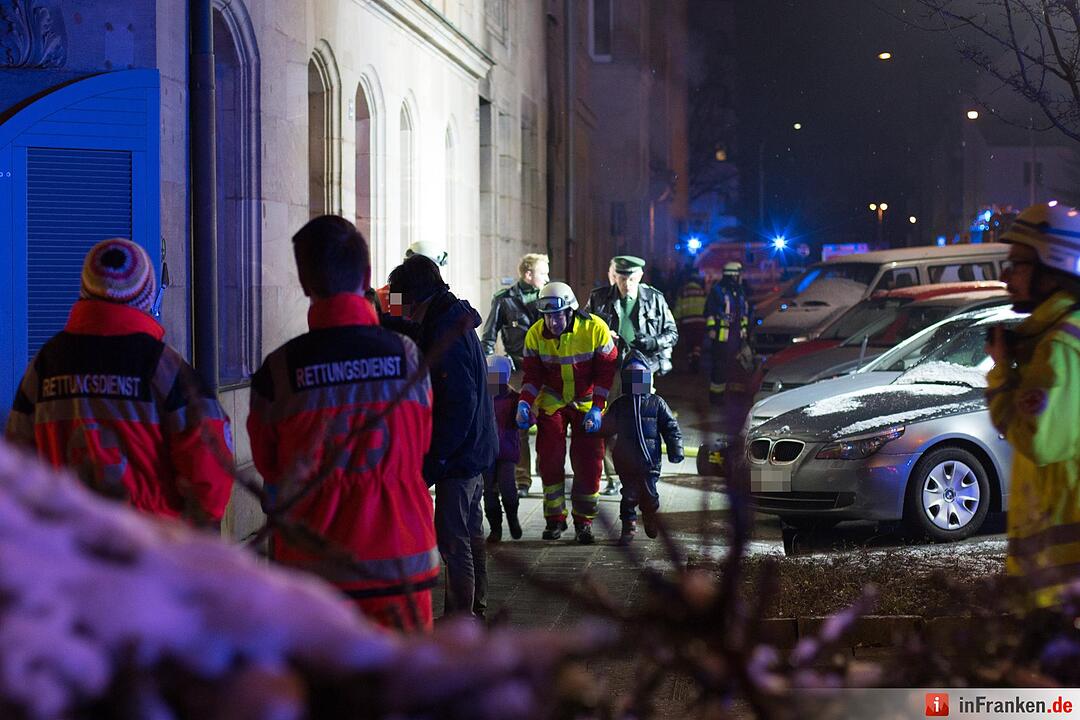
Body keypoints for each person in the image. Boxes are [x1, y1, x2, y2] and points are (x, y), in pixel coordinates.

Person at [247, 216, 439, 631]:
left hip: (314, 572)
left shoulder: (278, 371)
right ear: (367, 275)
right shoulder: (407, 356)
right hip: (399, 559)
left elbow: (270, 466)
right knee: (407, 690)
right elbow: (419, 443)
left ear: (303, 283)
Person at [5, 238, 235, 525]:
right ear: (148, 296)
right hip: (146, 551)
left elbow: (16, 460)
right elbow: (211, 467)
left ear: (86, 290)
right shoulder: (164, 366)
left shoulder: (46, 363)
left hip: (65, 545)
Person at [387, 254, 497, 619]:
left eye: (405, 303)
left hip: (460, 455)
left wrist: (438, 459)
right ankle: (476, 609)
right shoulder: (447, 318)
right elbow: (417, 331)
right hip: (475, 447)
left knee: (453, 541)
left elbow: (458, 403)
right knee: (471, 533)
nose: (403, 311)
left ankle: (459, 619)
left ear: (418, 298)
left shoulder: (445, 331)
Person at [985, 202, 1080, 610]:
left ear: (1051, 267)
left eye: (1017, 264)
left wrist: (1003, 373)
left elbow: (1040, 443)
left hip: (1066, 585)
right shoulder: (1049, 340)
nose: (1005, 276)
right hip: (1053, 580)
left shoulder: (1061, 346)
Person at [517, 282, 618, 544]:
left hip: (587, 402)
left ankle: (584, 522)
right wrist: (524, 402)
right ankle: (555, 520)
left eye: (558, 314)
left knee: (589, 462)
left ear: (571, 310)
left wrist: (597, 408)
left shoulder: (595, 329)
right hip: (553, 401)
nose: (552, 322)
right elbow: (532, 375)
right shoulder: (535, 334)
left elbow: (605, 374)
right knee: (549, 461)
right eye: (547, 316)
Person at [586, 255, 679, 495]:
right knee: (610, 420)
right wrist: (604, 337)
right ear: (614, 276)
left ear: (640, 277)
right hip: (611, 367)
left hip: (642, 367)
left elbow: (671, 332)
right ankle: (613, 476)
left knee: (642, 420)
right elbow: (584, 329)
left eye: (631, 278)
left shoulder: (654, 298)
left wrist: (652, 341)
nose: (626, 283)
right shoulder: (599, 298)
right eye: (622, 277)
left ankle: (644, 470)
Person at [480, 253, 549, 497]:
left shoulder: (549, 296)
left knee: (548, 423)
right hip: (519, 372)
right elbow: (488, 337)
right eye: (543, 273)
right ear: (528, 275)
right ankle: (522, 479)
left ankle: (548, 472)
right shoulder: (504, 299)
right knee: (518, 425)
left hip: (546, 371)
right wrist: (491, 370)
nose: (547, 278)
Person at [598, 353, 684, 544]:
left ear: (647, 376)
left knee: (649, 493)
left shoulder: (656, 403)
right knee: (628, 495)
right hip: (625, 461)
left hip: (650, 461)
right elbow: (607, 428)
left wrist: (675, 450)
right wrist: (596, 427)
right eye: (631, 374)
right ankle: (628, 526)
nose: (635, 378)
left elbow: (671, 427)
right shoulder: (620, 405)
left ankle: (650, 516)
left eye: (640, 373)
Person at [482, 355, 523, 543]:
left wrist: (525, 417)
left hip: (506, 452)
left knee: (508, 487)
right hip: (487, 452)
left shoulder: (514, 398)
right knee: (489, 491)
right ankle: (495, 528)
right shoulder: (482, 397)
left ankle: (512, 518)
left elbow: (527, 419)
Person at [704, 261, 752, 407]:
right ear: (732, 275)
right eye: (739, 275)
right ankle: (716, 396)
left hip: (736, 336)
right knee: (720, 366)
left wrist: (744, 332)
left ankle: (732, 396)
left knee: (735, 366)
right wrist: (712, 329)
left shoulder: (740, 291)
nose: (741, 278)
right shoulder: (718, 290)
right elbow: (709, 312)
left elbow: (744, 313)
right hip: (721, 336)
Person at [673, 267, 708, 372]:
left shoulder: (683, 292)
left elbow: (678, 308)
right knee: (698, 343)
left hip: (687, 322)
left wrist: (675, 321)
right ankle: (696, 360)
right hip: (700, 321)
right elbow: (707, 307)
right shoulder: (702, 292)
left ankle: (690, 361)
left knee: (689, 343)